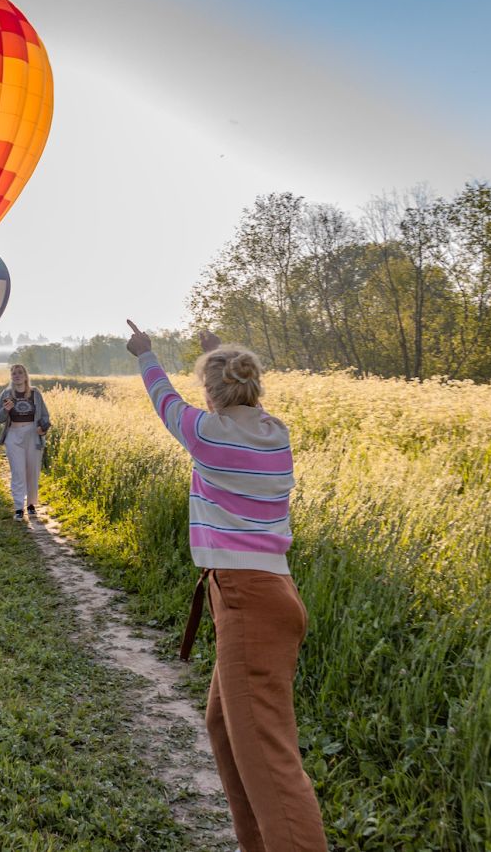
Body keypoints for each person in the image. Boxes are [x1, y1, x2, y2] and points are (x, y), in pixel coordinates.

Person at [125, 320, 328, 852]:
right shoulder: (274, 432)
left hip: (247, 600)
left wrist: (146, 354)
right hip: (270, 595)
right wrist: (218, 355)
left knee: (270, 760)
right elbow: (229, 403)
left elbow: (165, 400)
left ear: (214, 394)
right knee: (224, 727)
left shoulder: (209, 436)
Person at [0, 363, 50, 521]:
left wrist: (43, 429)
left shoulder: (35, 393)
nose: (17, 375)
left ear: (26, 376)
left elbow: (45, 416)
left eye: (20, 373)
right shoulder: (6, 393)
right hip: (13, 434)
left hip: (32, 434)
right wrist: (6, 410)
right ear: (11, 377)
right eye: (14, 373)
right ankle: (19, 507)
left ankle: (31, 505)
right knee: (18, 472)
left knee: (32, 471)